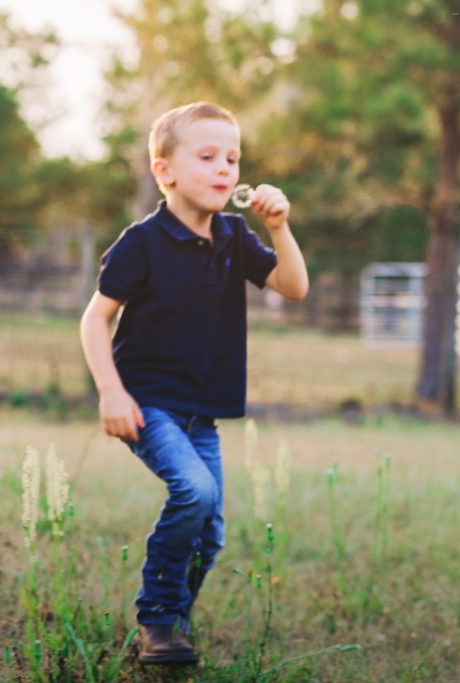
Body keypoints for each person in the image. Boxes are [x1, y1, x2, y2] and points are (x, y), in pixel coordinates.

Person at [79, 101, 308, 665]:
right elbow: (94, 318)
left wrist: (278, 228)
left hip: (200, 411)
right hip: (145, 403)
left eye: (232, 158)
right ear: (165, 171)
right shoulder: (143, 241)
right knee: (196, 493)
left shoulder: (233, 235)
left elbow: (294, 287)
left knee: (210, 533)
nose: (224, 168)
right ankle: (157, 620)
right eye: (207, 156)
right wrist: (111, 392)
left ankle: (172, 626)